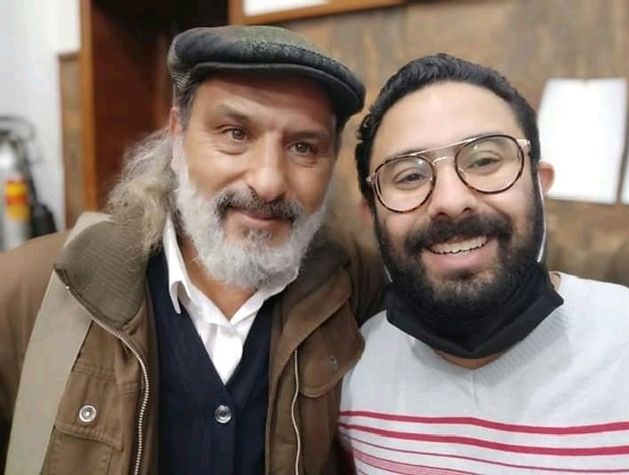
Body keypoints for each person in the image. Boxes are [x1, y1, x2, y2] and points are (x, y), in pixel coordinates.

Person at [0, 26, 383, 474]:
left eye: (303, 147)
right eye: (235, 133)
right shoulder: (35, 290)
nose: (268, 182)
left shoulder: (360, 291)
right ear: (177, 133)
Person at [339, 53, 629, 473]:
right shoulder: (350, 373)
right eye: (409, 176)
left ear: (539, 184)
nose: (450, 201)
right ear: (371, 216)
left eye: (484, 161)